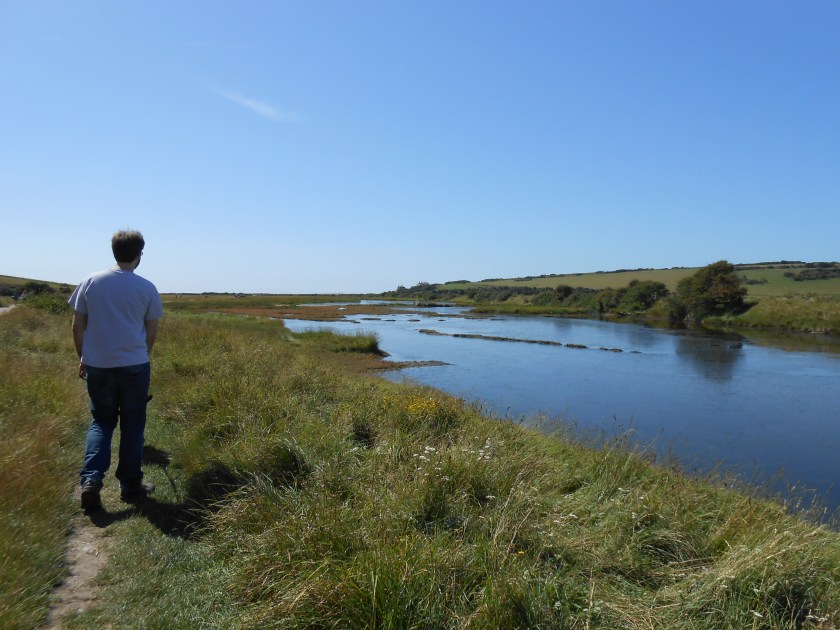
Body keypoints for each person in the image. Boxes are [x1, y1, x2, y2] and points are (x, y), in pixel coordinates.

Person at [69, 230, 164, 510]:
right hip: (135, 364)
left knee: (101, 422)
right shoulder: (147, 288)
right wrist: (142, 356)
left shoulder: (90, 282)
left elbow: (77, 327)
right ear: (139, 255)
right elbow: (151, 332)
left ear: (114, 251)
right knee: (133, 424)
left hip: (98, 365)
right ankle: (130, 485)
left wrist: (83, 357)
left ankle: (91, 481)